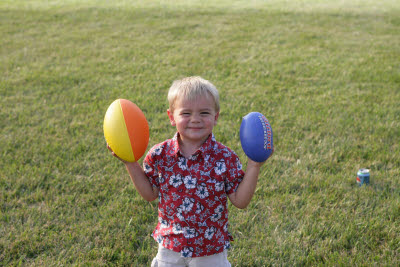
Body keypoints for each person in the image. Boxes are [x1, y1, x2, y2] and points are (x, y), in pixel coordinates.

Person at [108, 76, 272, 267]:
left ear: (215, 117)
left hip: (210, 249)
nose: (195, 119)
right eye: (186, 113)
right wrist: (130, 163)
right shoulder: (160, 154)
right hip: (171, 245)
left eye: (204, 113)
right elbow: (150, 194)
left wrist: (254, 165)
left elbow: (240, 201)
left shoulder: (225, 158)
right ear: (171, 117)